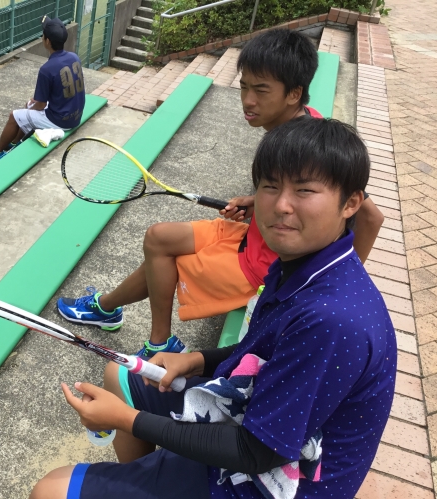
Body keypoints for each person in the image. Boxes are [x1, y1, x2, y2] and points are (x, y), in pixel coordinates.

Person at [30, 118, 397, 499]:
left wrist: (127, 420)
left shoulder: (331, 320)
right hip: (257, 418)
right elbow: (265, 349)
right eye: (270, 186)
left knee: (51, 490)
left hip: (277, 480)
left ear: (350, 203)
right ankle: (147, 480)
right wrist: (196, 361)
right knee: (121, 376)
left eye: (304, 190)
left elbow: (257, 452)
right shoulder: (305, 264)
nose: (281, 205)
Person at [56, 29, 384, 356]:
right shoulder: (304, 123)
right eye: (244, 87)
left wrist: (329, 284)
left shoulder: (308, 146)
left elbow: (371, 217)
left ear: (294, 94)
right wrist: (256, 202)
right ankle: (108, 309)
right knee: (159, 238)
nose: (248, 100)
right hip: (250, 239)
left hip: (261, 266)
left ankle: (156, 342)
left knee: (166, 259)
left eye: (261, 90)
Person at [0, 16, 86, 163]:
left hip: (60, 122)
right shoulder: (74, 57)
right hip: (75, 116)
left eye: (43, 35)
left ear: (47, 41)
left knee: (14, 115)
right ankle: (14, 142)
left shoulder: (46, 69)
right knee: (28, 106)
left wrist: (31, 106)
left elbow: (40, 105)